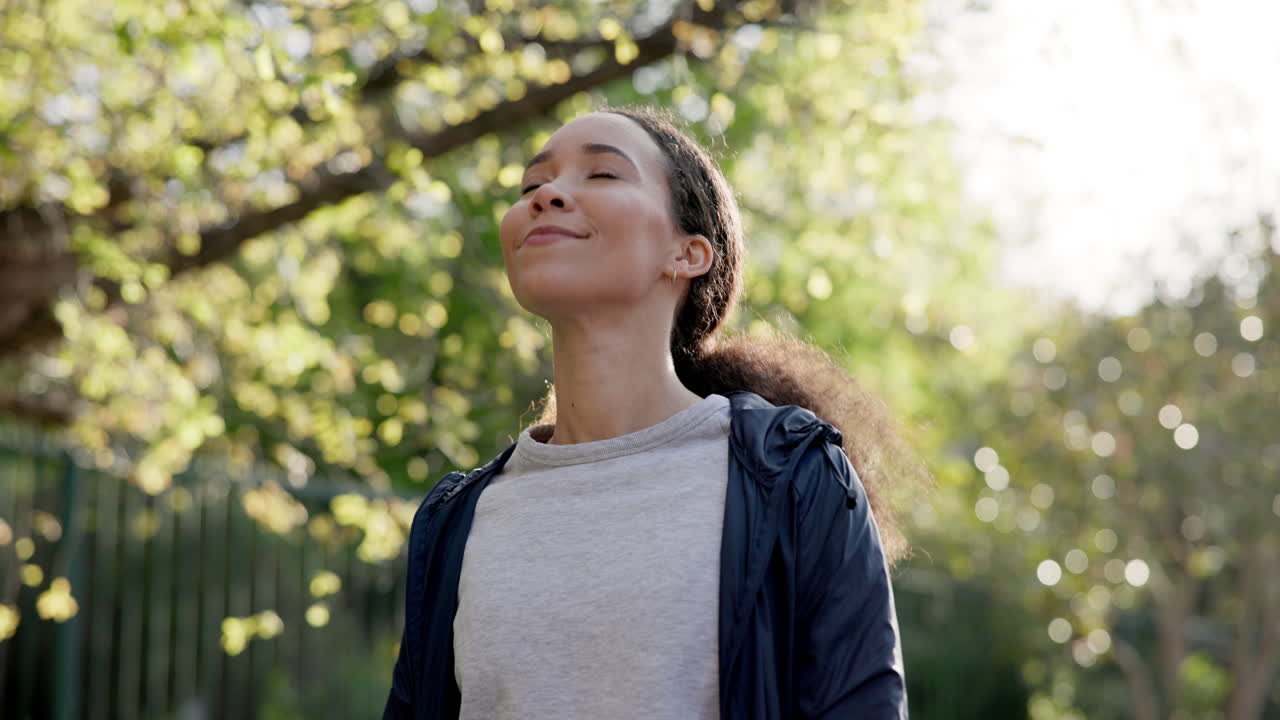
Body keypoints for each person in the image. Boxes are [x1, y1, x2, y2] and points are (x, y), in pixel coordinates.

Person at [384, 106, 916, 719]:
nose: (546, 196)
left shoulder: (791, 475)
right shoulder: (453, 520)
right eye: (532, 185)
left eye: (602, 174)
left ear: (687, 253)